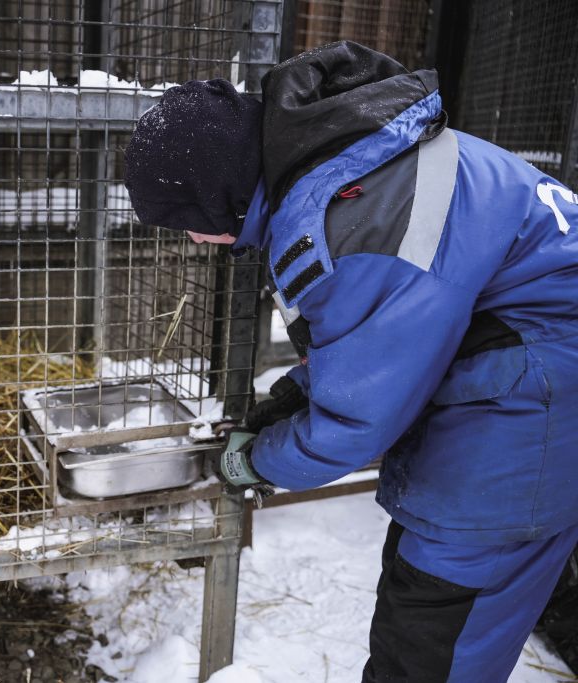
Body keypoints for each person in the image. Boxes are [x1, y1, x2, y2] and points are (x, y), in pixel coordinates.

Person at [123, 41, 578, 682]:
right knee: (499, 573)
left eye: (186, 222)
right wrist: (295, 395)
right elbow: (398, 334)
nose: (196, 239)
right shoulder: (359, 156)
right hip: (537, 366)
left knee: (434, 618)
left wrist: (257, 461)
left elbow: (357, 421)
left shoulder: (353, 224)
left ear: (218, 192)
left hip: (538, 402)